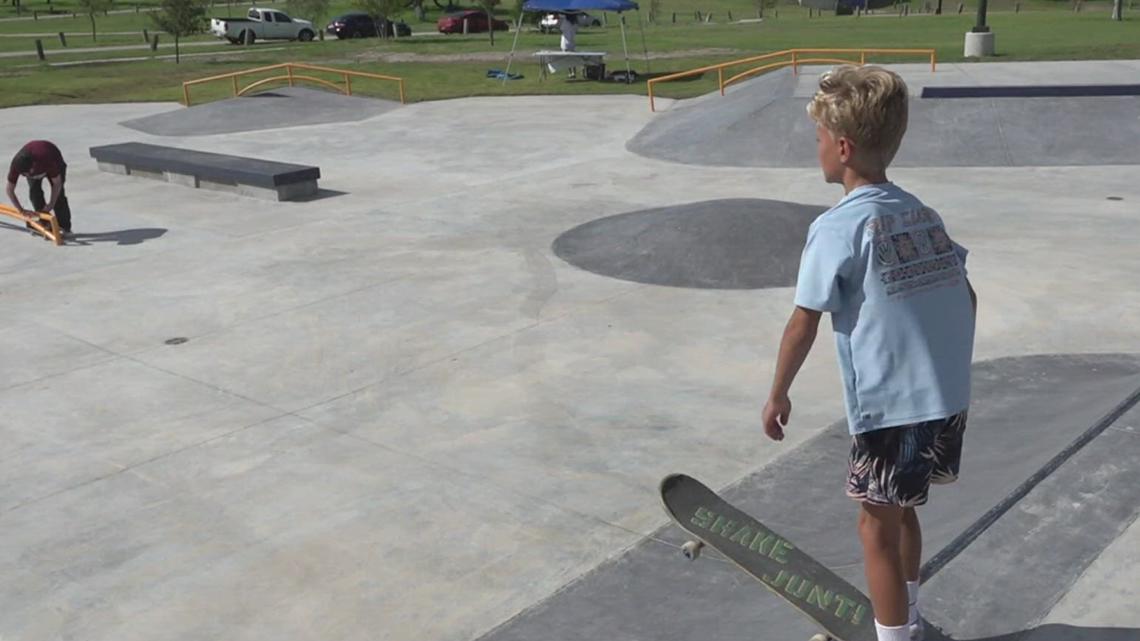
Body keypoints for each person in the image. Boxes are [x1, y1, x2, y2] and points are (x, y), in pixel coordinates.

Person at [760, 66, 977, 641]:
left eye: (819, 142)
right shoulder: (920, 213)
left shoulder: (837, 227)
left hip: (892, 407)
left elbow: (804, 320)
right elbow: (967, 295)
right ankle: (908, 618)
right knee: (902, 510)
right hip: (945, 396)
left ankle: (894, 637)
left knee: (873, 528)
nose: (818, 151)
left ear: (844, 147)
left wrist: (778, 393)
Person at [6, 140, 72, 236]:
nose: (28, 175)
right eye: (24, 175)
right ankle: (43, 223)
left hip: (54, 160)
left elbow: (57, 184)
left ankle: (64, 227)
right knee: (34, 192)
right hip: (37, 163)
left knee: (59, 196)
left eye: (29, 173)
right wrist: (21, 210)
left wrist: (51, 204)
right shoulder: (16, 165)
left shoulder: (47, 160)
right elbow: (9, 190)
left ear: (33, 165)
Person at [558, 12, 578, 79]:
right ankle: (574, 73)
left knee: (567, 59)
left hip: (565, 43)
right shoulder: (575, 23)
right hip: (572, 42)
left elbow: (561, 29)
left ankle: (570, 73)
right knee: (573, 59)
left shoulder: (565, 22)